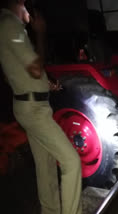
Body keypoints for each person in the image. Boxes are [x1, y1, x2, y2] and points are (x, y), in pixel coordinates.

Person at [0, 1, 82, 214]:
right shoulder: (10, 24)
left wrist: (44, 83)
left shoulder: (5, 25)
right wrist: (41, 34)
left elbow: (13, 74)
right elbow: (36, 68)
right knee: (71, 162)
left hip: (30, 104)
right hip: (33, 109)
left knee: (45, 168)